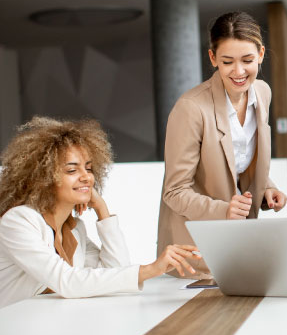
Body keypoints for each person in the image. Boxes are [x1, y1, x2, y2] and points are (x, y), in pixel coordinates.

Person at [0, 117, 201, 308]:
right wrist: (149, 270)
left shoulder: (75, 229)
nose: (86, 177)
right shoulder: (19, 221)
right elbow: (66, 282)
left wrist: (102, 210)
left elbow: (116, 271)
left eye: (88, 168)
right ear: (43, 179)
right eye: (72, 171)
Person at [158, 11, 287, 278]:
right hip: (197, 250)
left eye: (248, 60)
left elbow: (237, 159)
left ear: (261, 54)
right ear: (213, 58)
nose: (239, 72)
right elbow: (174, 191)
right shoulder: (191, 108)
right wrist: (224, 209)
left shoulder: (263, 92)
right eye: (227, 61)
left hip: (239, 240)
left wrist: (267, 187)